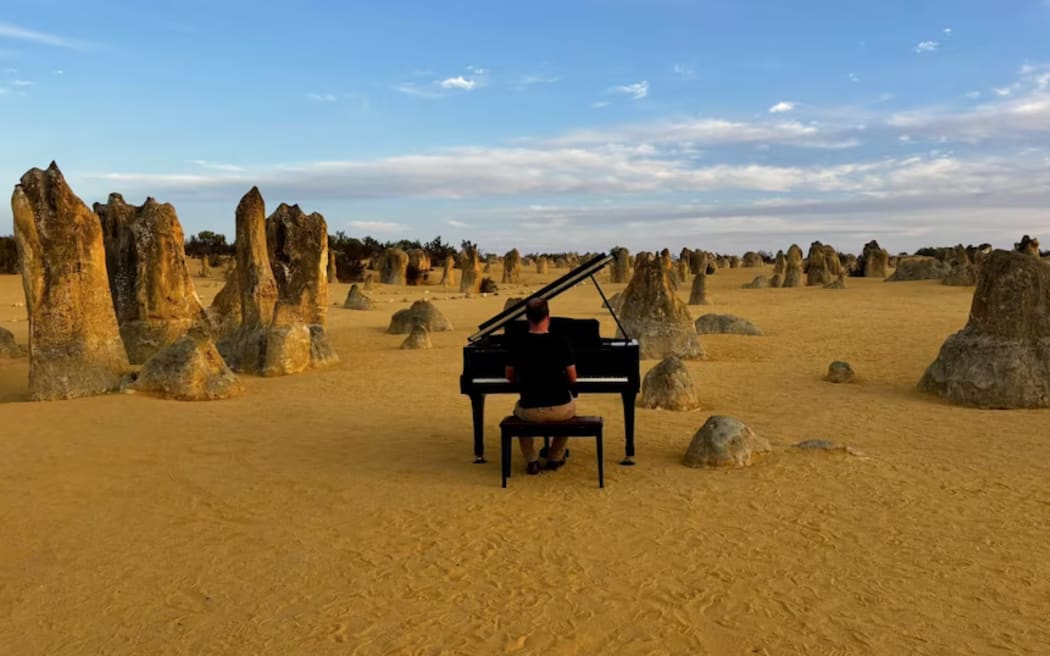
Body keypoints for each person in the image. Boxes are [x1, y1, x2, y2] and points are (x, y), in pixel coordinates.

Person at [505, 297, 577, 475]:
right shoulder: (561, 341)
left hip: (530, 411)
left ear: (527, 318)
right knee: (571, 411)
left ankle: (531, 460)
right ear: (548, 317)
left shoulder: (518, 342)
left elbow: (509, 376)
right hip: (560, 409)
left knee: (518, 412)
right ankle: (555, 457)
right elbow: (573, 378)